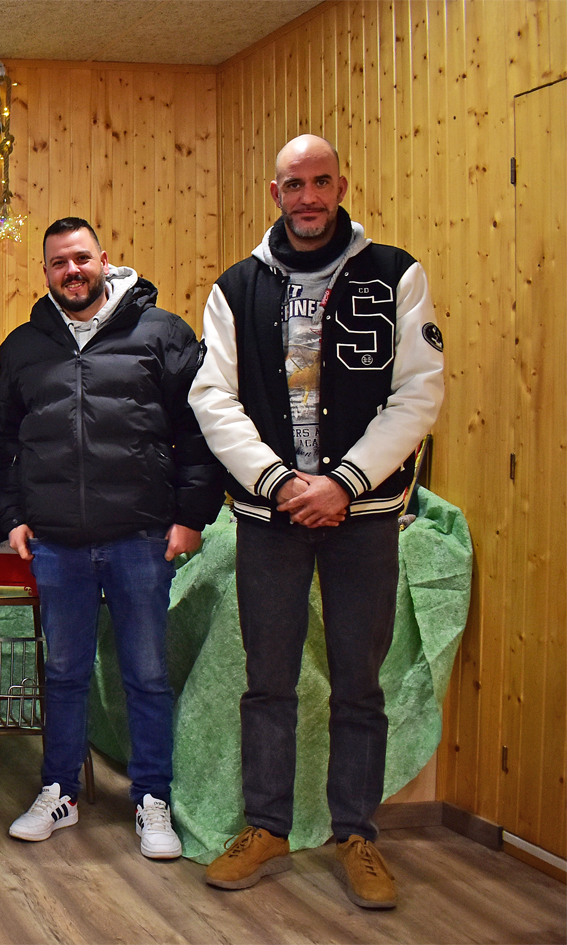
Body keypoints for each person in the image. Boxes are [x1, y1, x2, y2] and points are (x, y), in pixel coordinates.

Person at [190, 134, 444, 908]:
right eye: (293, 183)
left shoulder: (395, 275)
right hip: (268, 516)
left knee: (357, 683)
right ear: (274, 192)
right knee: (265, 681)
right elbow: (213, 397)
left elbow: (418, 391)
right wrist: (275, 480)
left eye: (320, 181)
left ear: (341, 184)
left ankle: (355, 833)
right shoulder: (235, 287)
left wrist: (343, 480)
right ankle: (265, 826)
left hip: (363, 515)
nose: (308, 196)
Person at [0, 218, 224, 858]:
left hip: (141, 537)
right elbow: (2, 446)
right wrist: (11, 516)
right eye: (59, 263)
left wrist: (191, 516)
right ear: (45, 273)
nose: (72, 271)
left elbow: (199, 431)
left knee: (146, 674)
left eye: (82, 258)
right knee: (63, 672)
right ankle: (59, 790)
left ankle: (152, 800)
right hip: (57, 543)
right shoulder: (24, 347)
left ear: (104, 259)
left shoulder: (162, 333)